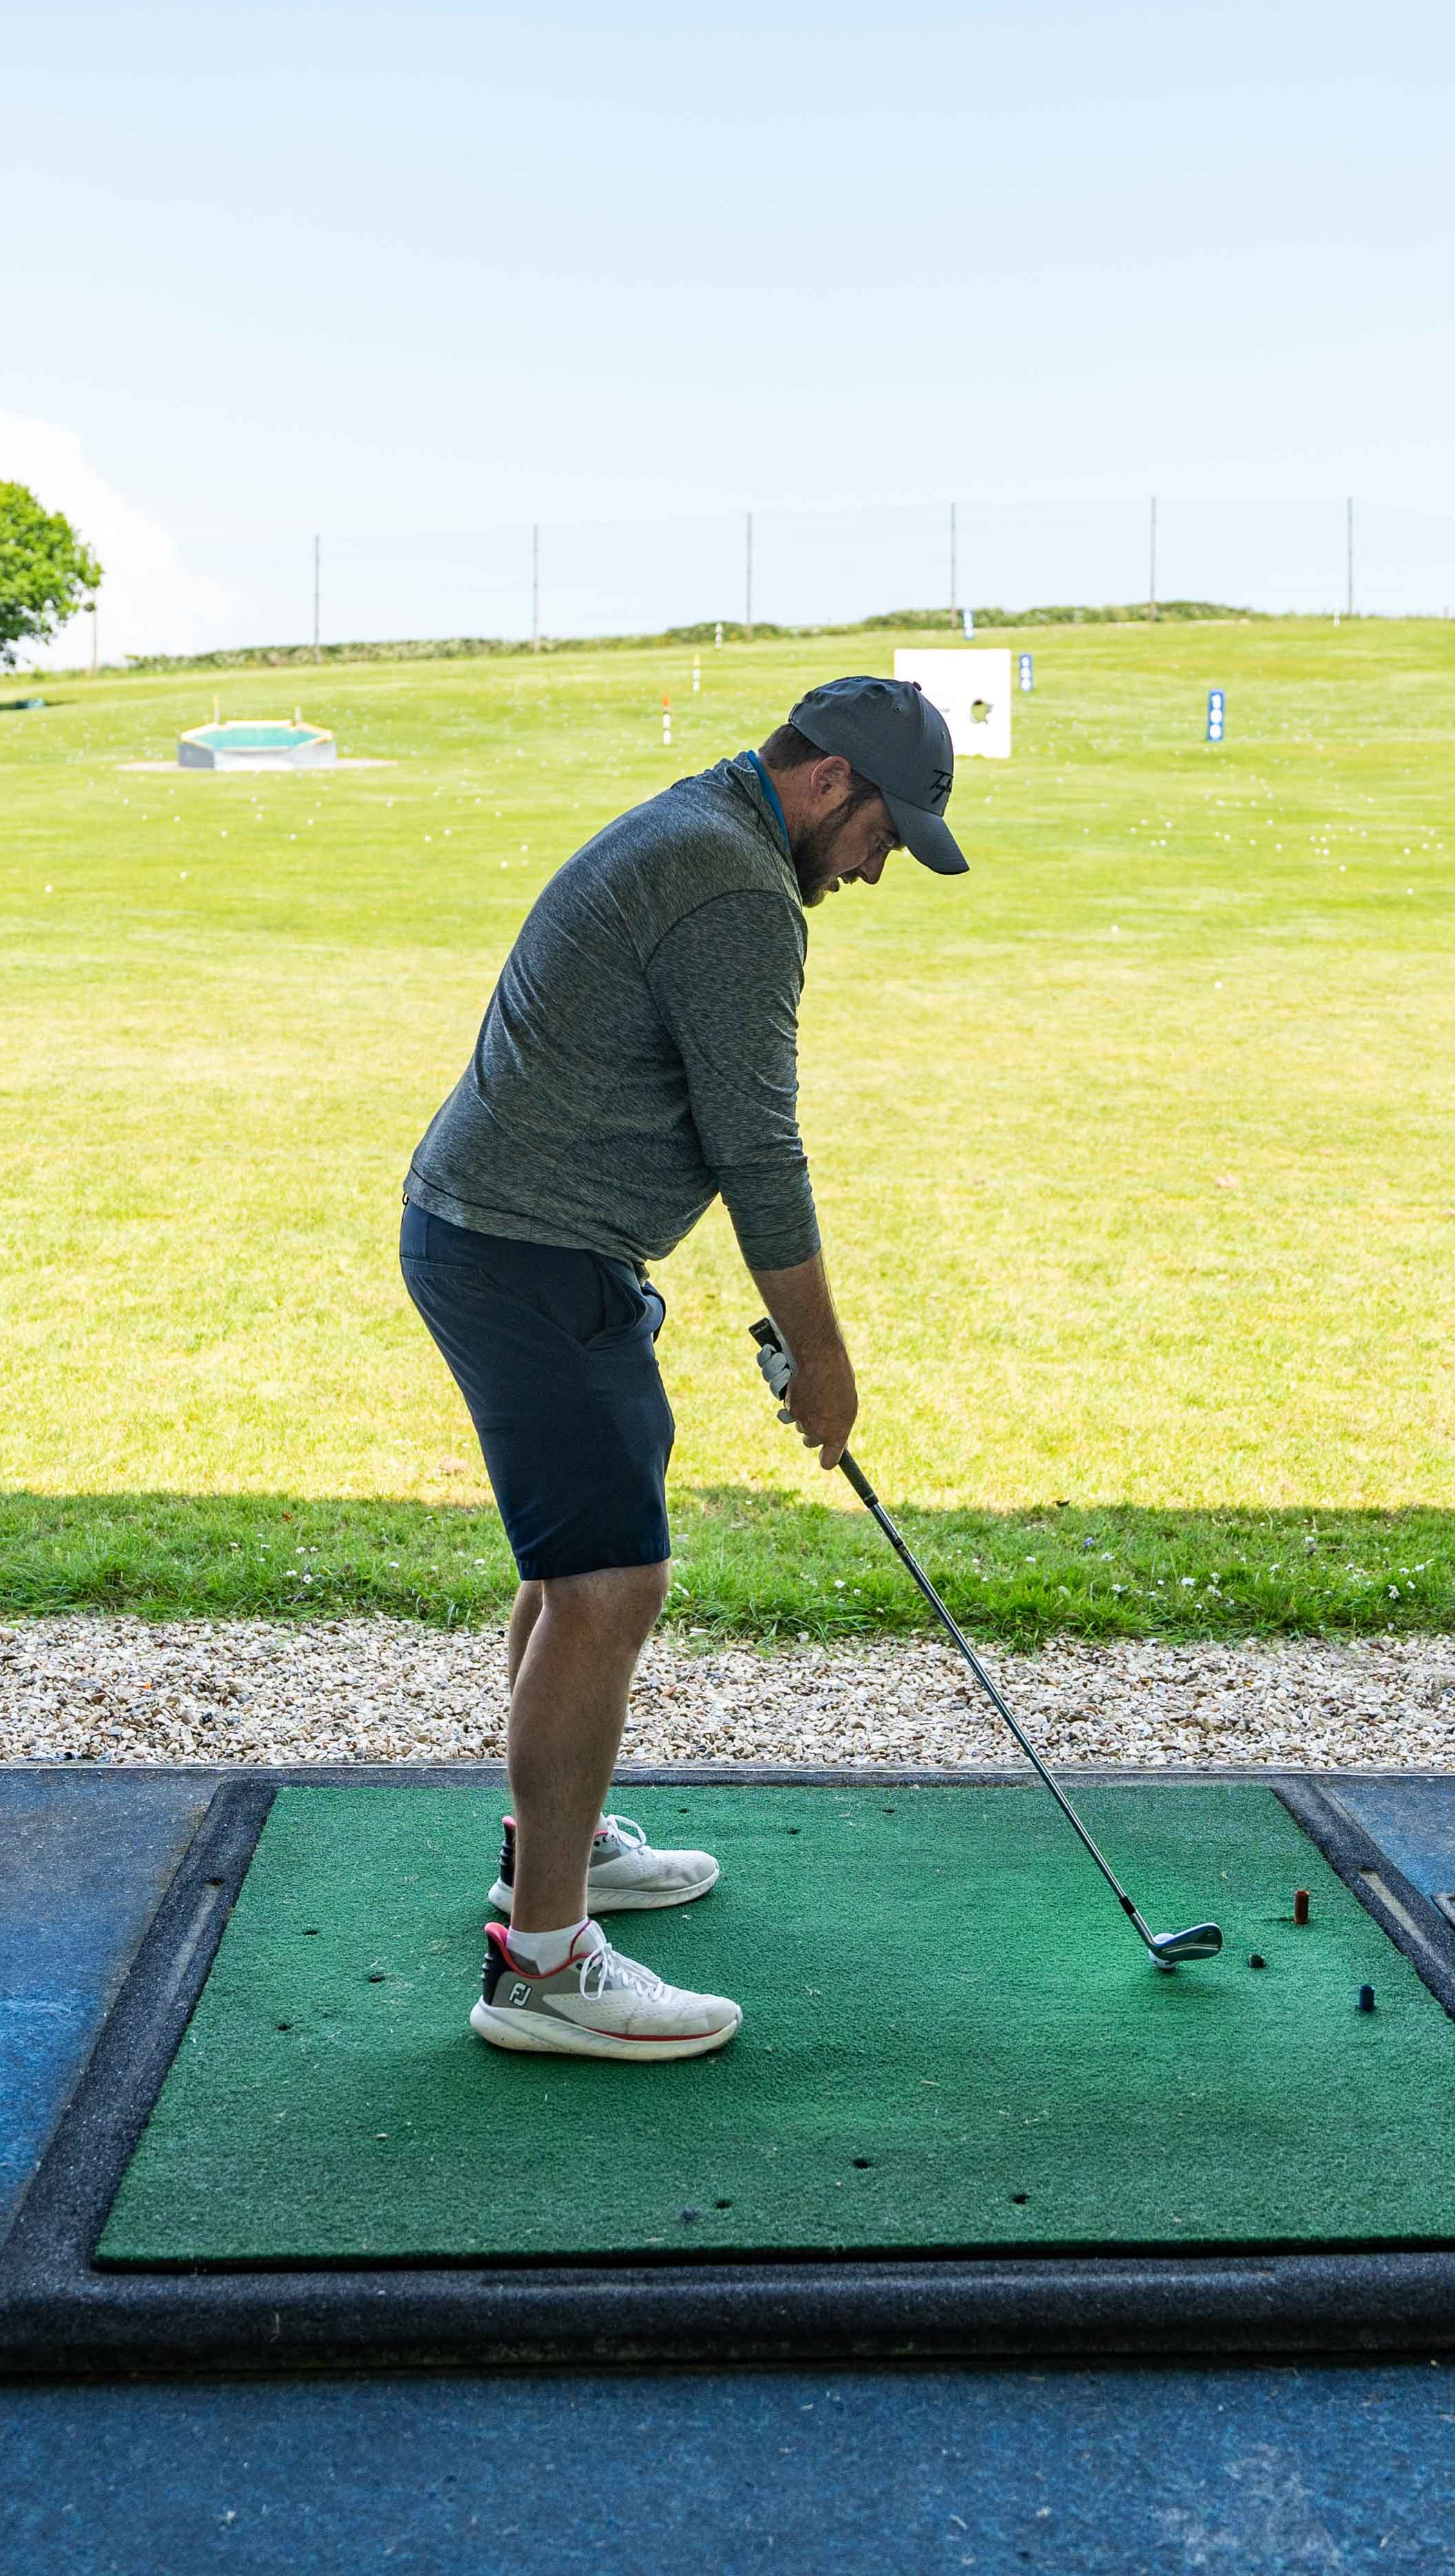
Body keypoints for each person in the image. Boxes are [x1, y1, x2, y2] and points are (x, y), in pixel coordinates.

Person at [401, 675, 967, 2060]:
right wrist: (825, 1363)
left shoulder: (704, 827)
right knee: (611, 1582)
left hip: (506, 1238)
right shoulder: (738, 892)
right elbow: (757, 1148)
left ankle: (558, 1846)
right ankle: (540, 1961)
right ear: (830, 780)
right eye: (888, 830)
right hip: (530, 1254)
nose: (883, 865)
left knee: (572, 1564)